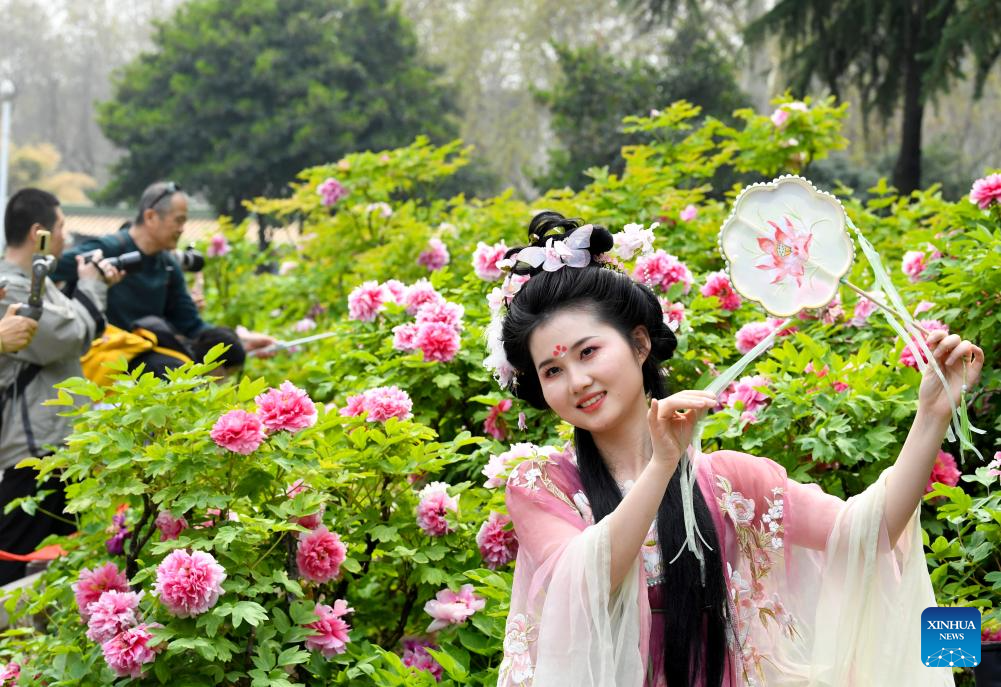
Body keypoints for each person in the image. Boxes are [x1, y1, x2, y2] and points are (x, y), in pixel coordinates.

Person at [491, 212, 983, 686]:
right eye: (552, 371)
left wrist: (931, 416)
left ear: (640, 344)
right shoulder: (542, 486)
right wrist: (663, 464)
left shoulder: (730, 482)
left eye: (588, 351)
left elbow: (866, 532)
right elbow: (585, 587)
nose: (577, 380)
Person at [0, 188, 123, 585]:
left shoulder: (40, 282)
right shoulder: (9, 287)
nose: (65, 239)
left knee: (53, 570)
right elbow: (70, 333)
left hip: (60, 447)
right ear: (38, 233)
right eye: (61, 228)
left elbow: (77, 326)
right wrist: (92, 285)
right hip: (31, 455)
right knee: (15, 569)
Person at [51, 180, 275, 360]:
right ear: (150, 217)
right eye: (178, 220)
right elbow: (46, 270)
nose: (182, 229)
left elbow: (192, 326)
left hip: (141, 371)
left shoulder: (167, 266)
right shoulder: (107, 250)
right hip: (98, 367)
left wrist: (239, 341)